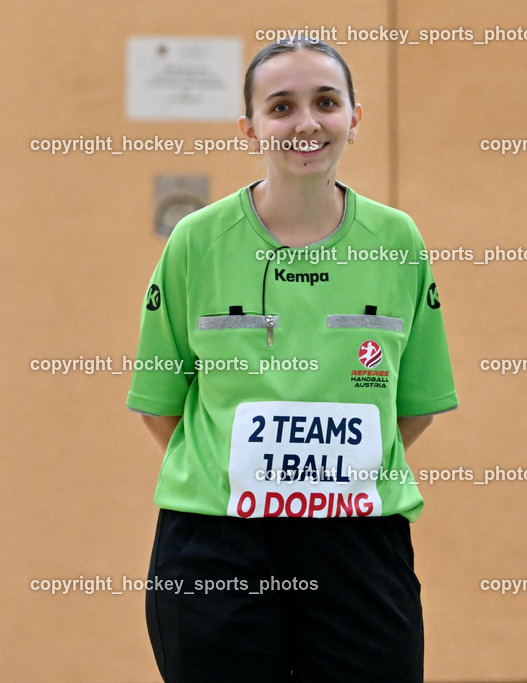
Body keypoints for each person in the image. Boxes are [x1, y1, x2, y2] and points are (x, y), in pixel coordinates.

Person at [126, 36, 457, 682]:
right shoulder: (196, 241)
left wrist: (323, 480)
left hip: (359, 543)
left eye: (326, 102)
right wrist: (244, 473)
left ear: (354, 118)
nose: (306, 122)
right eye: (281, 106)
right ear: (250, 127)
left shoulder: (397, 241)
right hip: (216, 542)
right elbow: (161, 405)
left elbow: (412, 408)